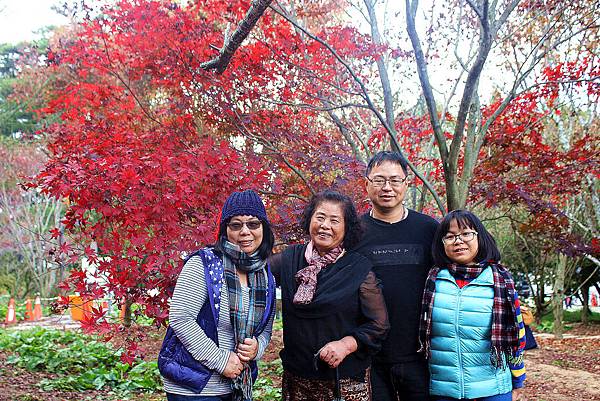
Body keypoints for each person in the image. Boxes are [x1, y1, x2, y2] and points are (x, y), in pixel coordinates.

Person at [270, 190, 389, 401]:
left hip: (345, 381)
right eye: (320, 217)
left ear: (346, 228)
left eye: (334, 220)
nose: (325, 225)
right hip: (297, 377)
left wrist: (345, 345)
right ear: (310, 220)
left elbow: (379, 325)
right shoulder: (288, 260)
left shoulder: (358, 268)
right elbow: (252, 274)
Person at [159, 190, 277, 401]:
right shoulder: (203, 265)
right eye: (236, 225)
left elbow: (265, 330)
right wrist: (221, 361)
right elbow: (180, 318)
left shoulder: (265, 276)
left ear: (264, 229)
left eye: (253, 224)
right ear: (225, 230)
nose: (245, 231)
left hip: (237, 385)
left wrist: (257, 348)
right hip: (195, 387)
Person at [354, 151, 439, 401]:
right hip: (369, 355)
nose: (387, 187)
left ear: (406, 184)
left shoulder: (429, 229)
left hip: (421, 355)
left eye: (394, 180)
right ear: (367, 184)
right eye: (379, 180)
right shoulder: (353, 232)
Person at [419, 209, 526, 401]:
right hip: (444, 389)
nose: (458, 241)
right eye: (450, 236)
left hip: (493, 389)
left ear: (480, 237)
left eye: (466, 234)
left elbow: (516, 334)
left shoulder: (500, 281)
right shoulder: (433, 280)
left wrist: (518, 379)